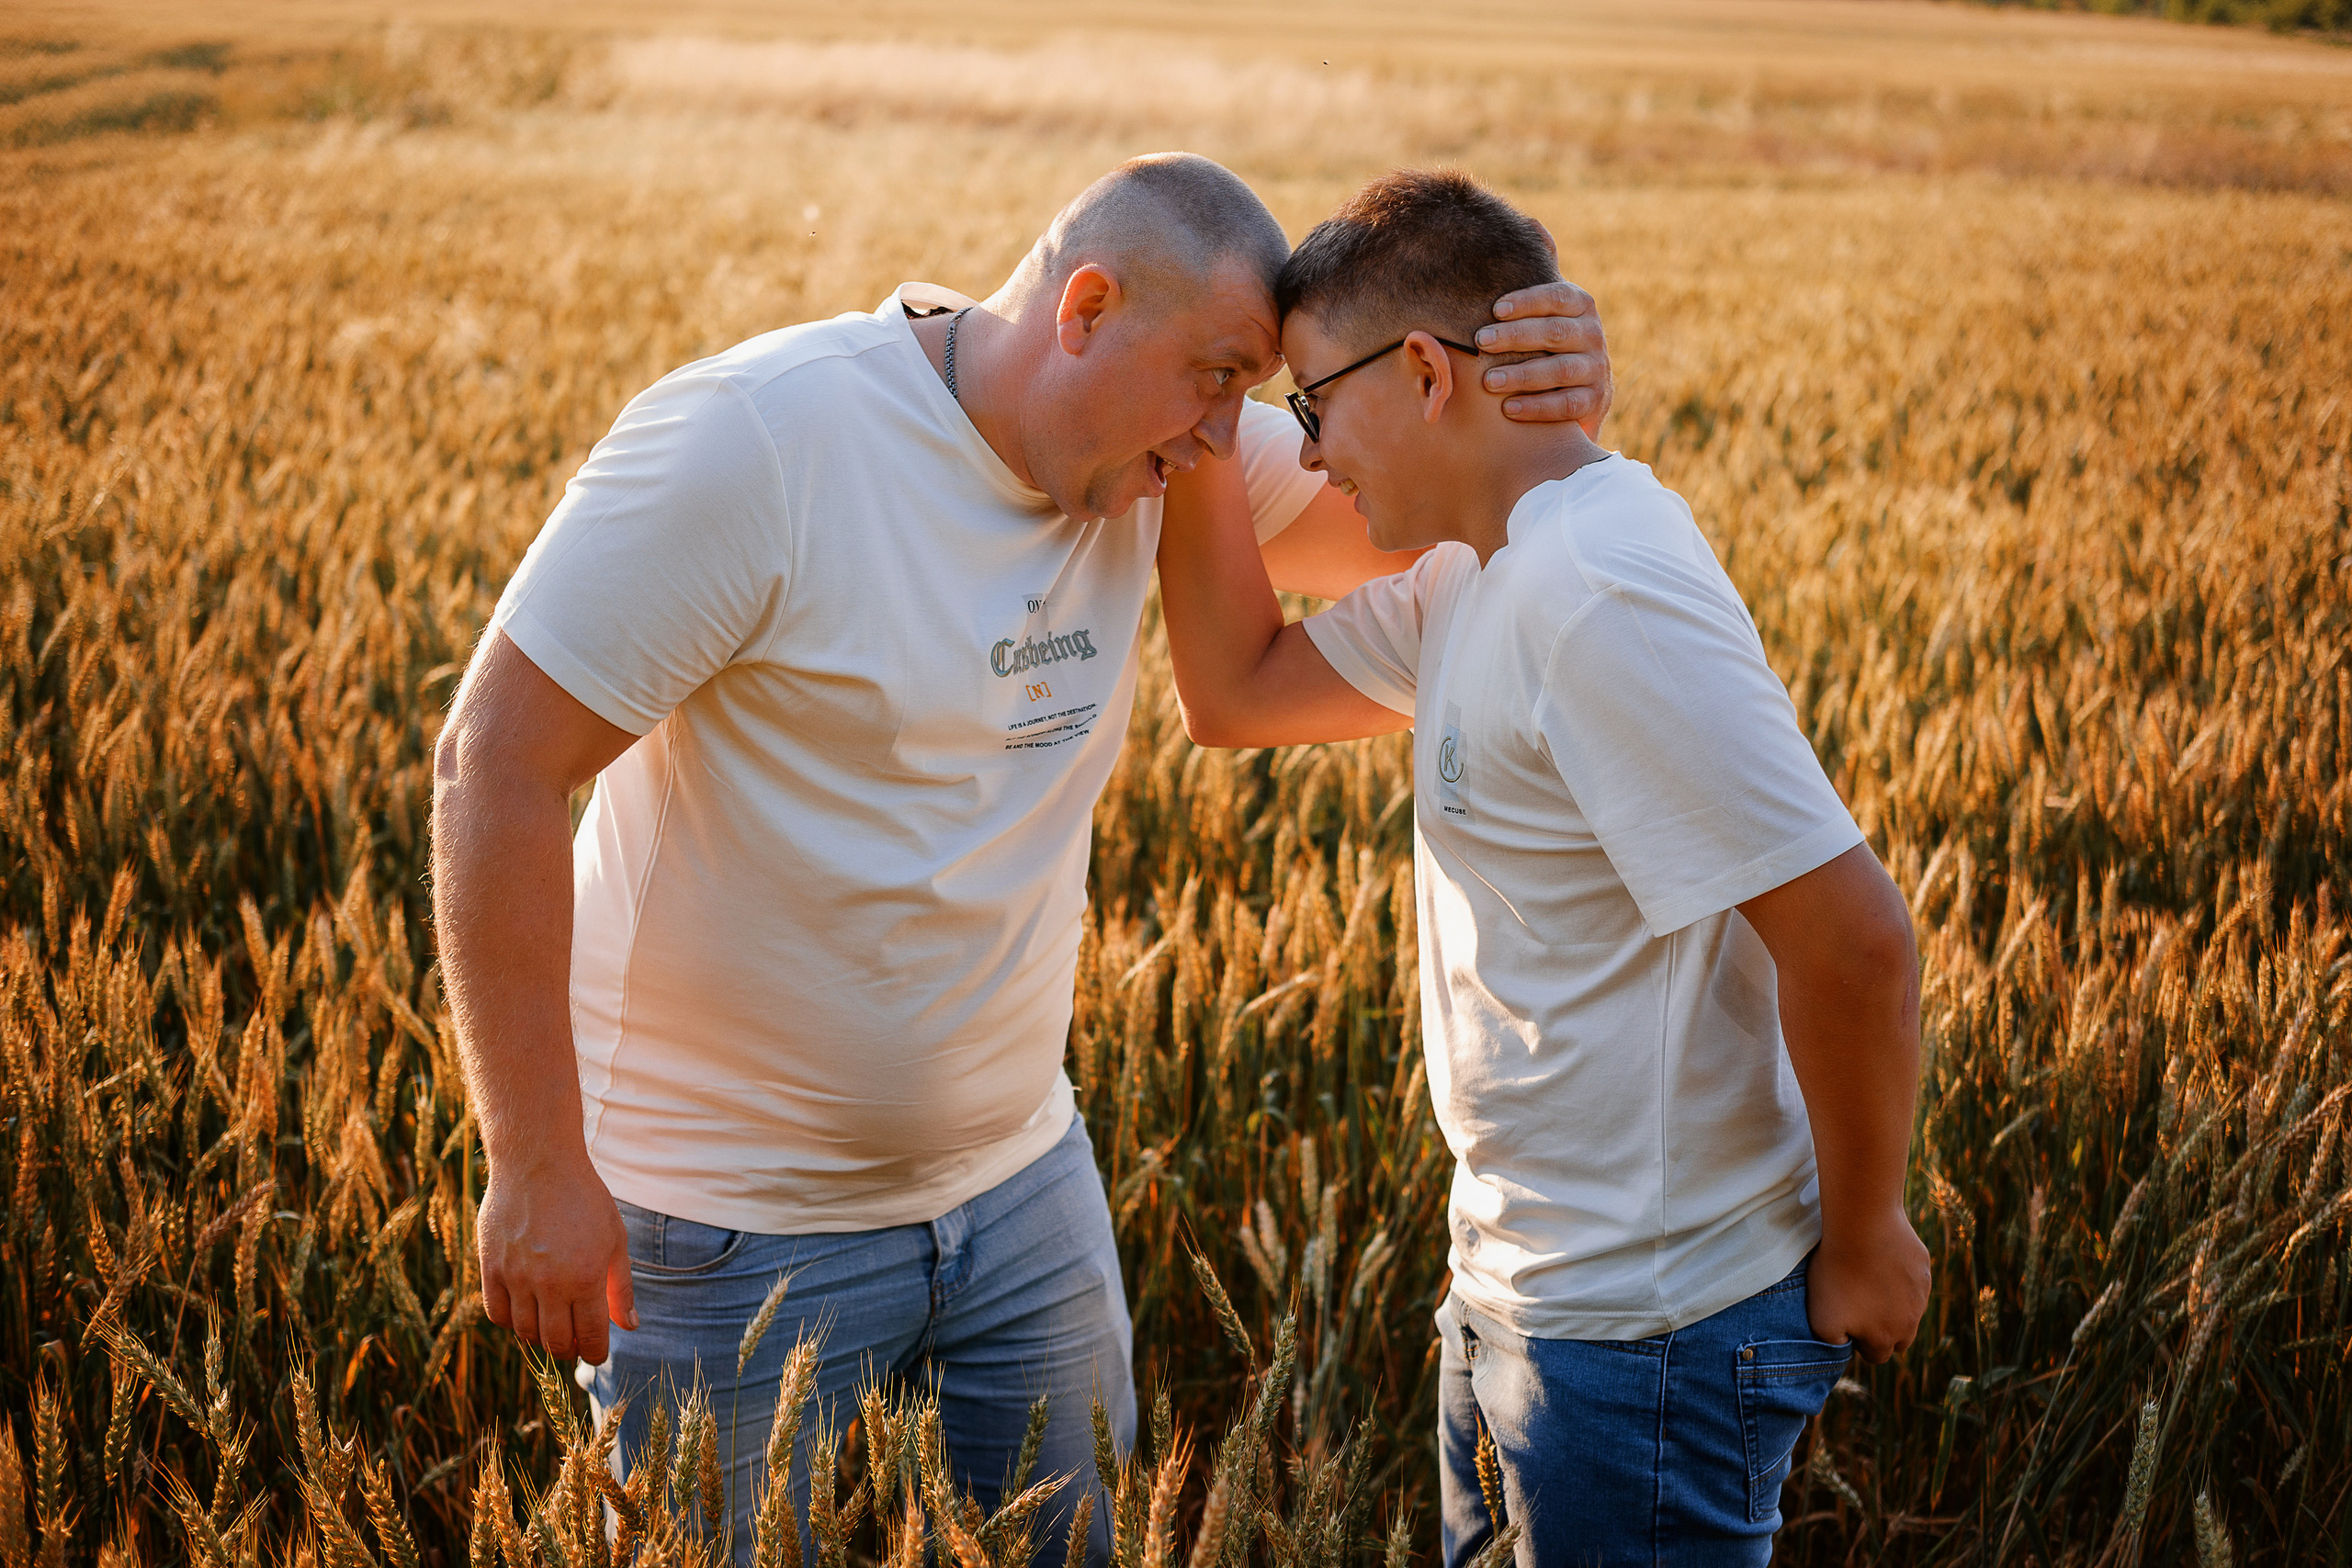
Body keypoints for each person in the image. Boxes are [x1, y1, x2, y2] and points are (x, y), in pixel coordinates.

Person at [428, 152, 1613, 1562]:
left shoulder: (1183, 451)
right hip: (718, 1223)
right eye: (1214, 379)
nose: (1228, 439)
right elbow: (496, 763)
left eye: (1251, 396)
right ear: (1086, 306)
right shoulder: (760, 446)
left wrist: (1536, 390)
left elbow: (1456, 508)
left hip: (1018, 1186)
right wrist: (537, 1161)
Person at [1154, 168, 1930, 1566]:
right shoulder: (1476, 570)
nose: (1311, 458)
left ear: (1433, 377)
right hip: (1522, 1290)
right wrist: (1201, 415)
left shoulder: (1595, 591)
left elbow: (1856, 943)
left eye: (1312, 408)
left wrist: (1869, 1234)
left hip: (1651, 1328)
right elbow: (1239, 697)